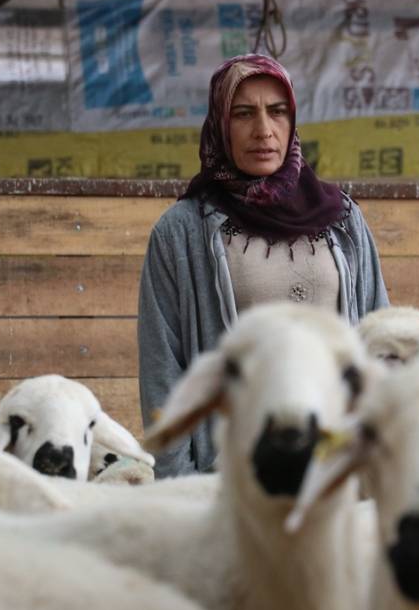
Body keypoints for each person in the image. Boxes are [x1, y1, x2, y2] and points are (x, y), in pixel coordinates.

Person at [137, 54, 389, 478]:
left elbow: (379, 339)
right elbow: (163, 369)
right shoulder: (182, 232)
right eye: (243, 114)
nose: (263, 130)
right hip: (235, 470)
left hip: (337, 465)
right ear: (220, 124)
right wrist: (179, 483)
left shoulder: (342, 218)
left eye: (277, 111)